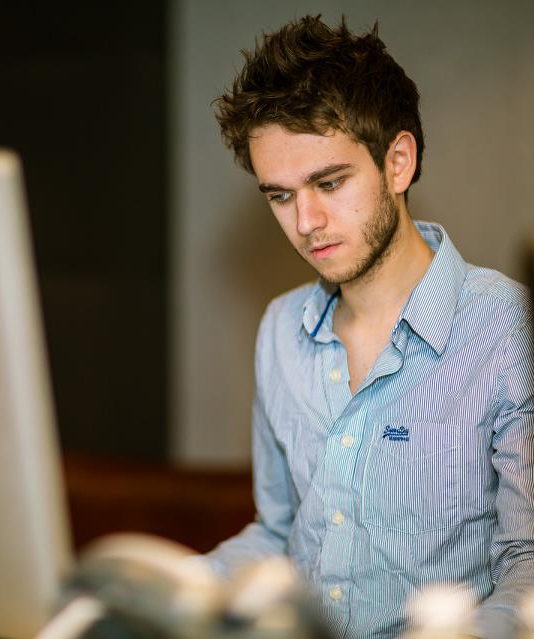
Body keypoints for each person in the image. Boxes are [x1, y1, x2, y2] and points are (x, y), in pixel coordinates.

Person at [203, 15, 534, 639]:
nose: (306, 221)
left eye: (329, 183)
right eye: (279, 196)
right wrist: (179, 589)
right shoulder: (279, 330)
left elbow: (528, 562)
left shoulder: (510, 328)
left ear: (398, 162)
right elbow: (280, 533)